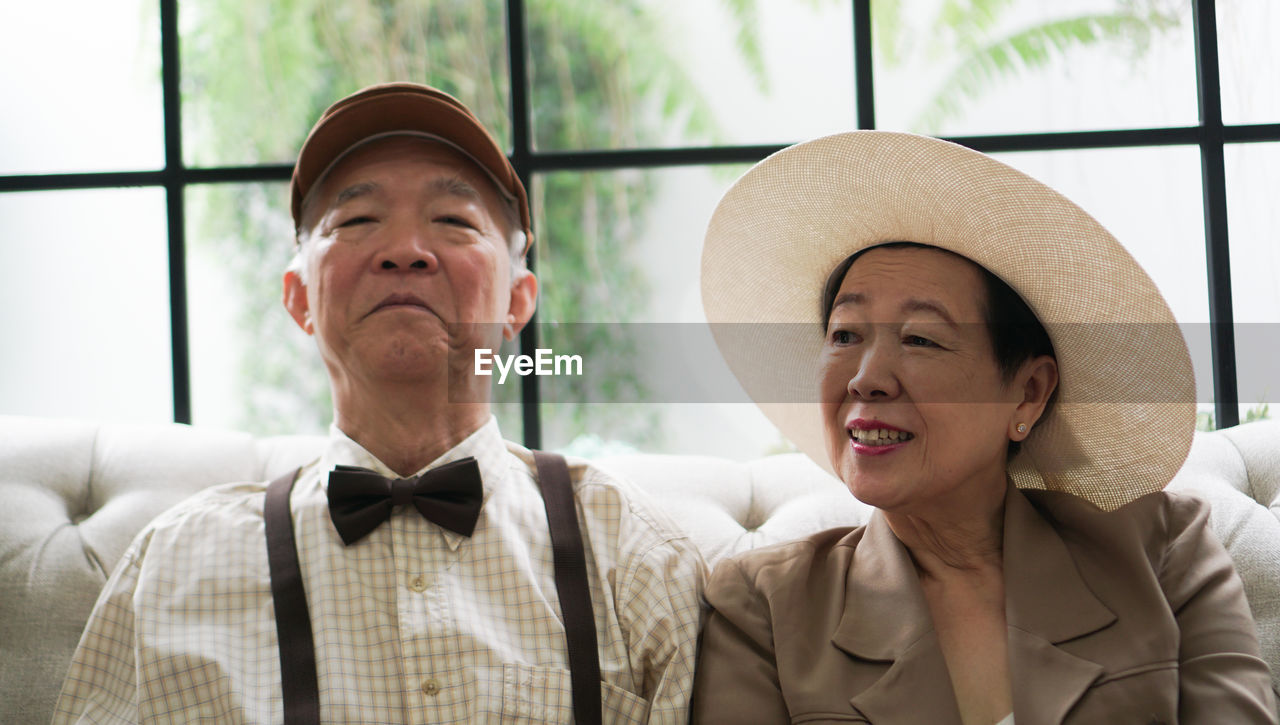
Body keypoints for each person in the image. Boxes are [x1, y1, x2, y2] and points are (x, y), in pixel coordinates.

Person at [51, 82, 705, 724]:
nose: (404, 251)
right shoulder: (173, 566)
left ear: (518, 301)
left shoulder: (636, 557)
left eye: (452, 220)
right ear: (299, 297)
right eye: (358, 220)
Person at [691, 131, 1276, 724]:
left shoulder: (1163, 553)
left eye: (920, 338)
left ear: (1027, 393)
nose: (865, 378)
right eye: (844, 335)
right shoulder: (763, 606)